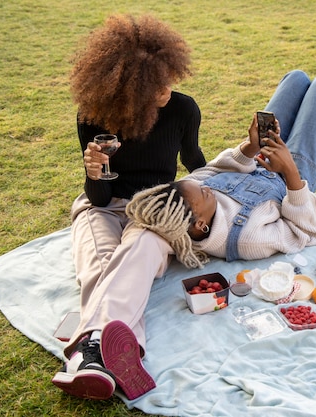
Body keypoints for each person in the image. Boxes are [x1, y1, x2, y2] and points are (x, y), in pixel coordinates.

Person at [51, 14, 206, 401]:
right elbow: (100, 199)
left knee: (140, 249)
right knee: (100, 264)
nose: (168, 87)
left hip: (154, 208)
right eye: (156, 83)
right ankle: (119, 351)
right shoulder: (93, 118)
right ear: (128, 88)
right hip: (104, 205)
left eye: (170, 75)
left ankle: (87, 356)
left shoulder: (184, 110)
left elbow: (195, 162)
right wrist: (94, 172)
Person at [127, 70, 316, 267]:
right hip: (291, 176)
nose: (206, 188)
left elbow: (214, 169)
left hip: (259, 155)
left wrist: (250, 146)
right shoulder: (247, 240)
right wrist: (289, 170)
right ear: (201, 224)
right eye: (205, 193)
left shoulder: (190, 196)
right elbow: (305, 232)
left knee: (296, 78)